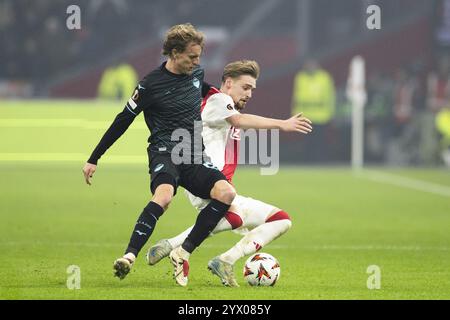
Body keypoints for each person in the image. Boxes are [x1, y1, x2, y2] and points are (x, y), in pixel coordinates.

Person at [82, 23, 237, 287]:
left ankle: (182, 251)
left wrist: (235, 100)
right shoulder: (150, 84)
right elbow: (122, 120)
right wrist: (94, 158)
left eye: (199, 56)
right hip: (164, 153)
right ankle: (129, 256)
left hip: (193, 155)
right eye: (192, 56)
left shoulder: (197, 74)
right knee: (164, 197)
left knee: (227, 194)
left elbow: (214, 95)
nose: (197, 62)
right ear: (174, 53)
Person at [147, 60, 313, 287]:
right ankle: (179, 248)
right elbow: (240, 120)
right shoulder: (219, 100)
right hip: (205, 181)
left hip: (219, 185)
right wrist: (282, 124)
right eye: (246, 87)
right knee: (233, 213)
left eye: (252, 89)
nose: (250, 94)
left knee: (281, 220)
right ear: (228, 83)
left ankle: (223, 259)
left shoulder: (223, 107)